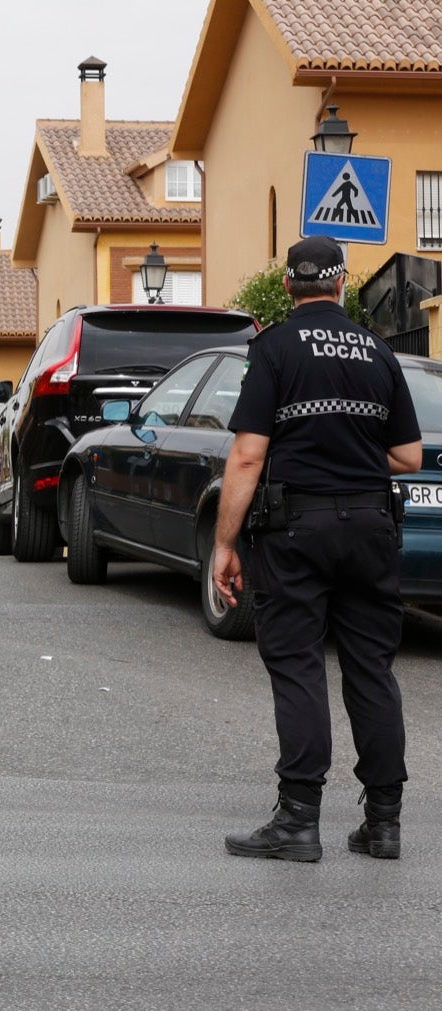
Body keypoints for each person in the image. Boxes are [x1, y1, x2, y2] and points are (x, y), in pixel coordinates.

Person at [213, 235, 420, 863]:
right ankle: (383, 824)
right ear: (341, 282)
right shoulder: (379, 351)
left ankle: (298, 821)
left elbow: (248, 453)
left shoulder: (273, 348)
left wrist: (225, 543)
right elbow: (408, 455)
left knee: (299, 665)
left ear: (288, 287)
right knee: (371, 671)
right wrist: (353, 449)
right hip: (369, 528)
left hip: (295, 530)